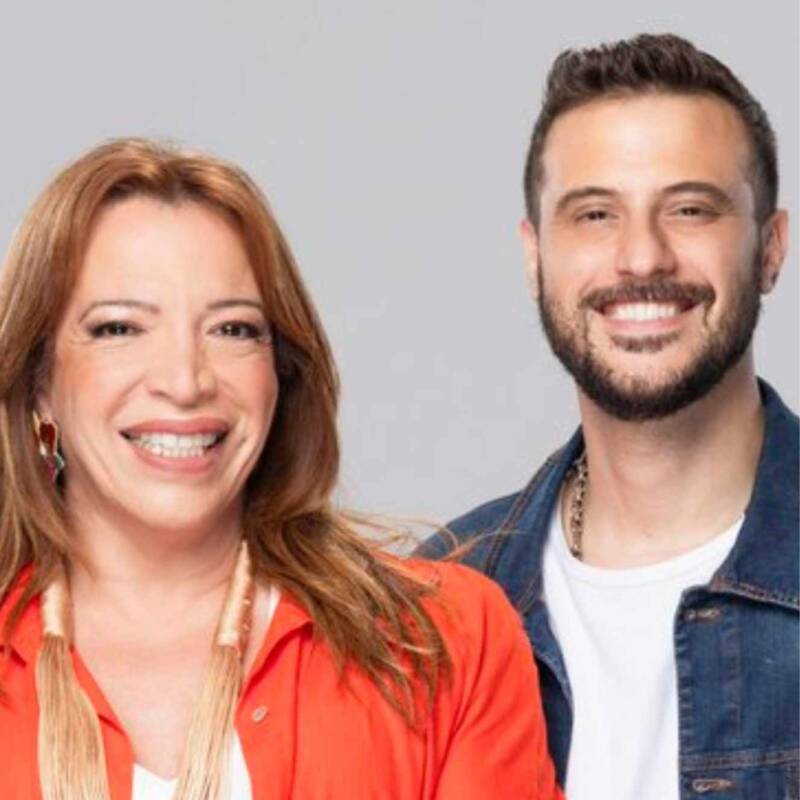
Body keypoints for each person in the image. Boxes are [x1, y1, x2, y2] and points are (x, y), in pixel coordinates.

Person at [0, 139, 562, 800]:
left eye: (233, 329)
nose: (185, 381)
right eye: (119, 329)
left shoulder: (446, 642)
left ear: (281, 373)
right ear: (39, 382)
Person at [419, 33, 798, 799]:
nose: (642, 257)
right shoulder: (444, 596)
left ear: (770, 247)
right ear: (534, 259)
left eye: (689, 209)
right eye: (595, 215)